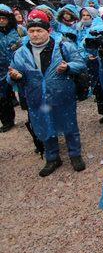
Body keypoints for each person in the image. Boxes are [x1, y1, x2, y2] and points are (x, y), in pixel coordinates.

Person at [9, 10, 87, 176]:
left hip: (62, 93)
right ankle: (52, 158)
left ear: (48, 30)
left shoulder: (63, 46)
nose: (35, 34)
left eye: (39, 30)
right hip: (36, 96)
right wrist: (15, 77)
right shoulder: (21, 52)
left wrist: (69, 66)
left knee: (69, 124)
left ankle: (75, 154)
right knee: (44, 125)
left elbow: (80, 63)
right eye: (31, 31)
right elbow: (14, 74)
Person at [0, 5, 22, 132]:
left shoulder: (19, 31)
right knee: (2, 98)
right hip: (1, 70)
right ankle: (7, 121)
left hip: (17, 67)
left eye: (4, 18)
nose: (1, 21)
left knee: (25, 95)